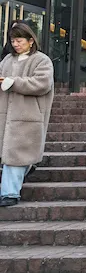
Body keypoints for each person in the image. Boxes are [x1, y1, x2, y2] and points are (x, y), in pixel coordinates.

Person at [0, 23, 53, 207]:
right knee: (11, 156)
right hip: (6, 116)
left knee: (15, 156)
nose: (15, 44)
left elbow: (42, 83)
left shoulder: (41, 60)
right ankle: (15, 183)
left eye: (19, 40)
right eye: (13, 40)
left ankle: (10, 193)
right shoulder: (7, 60)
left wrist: (13, 82)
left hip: (28, 116)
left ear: (31, 41)